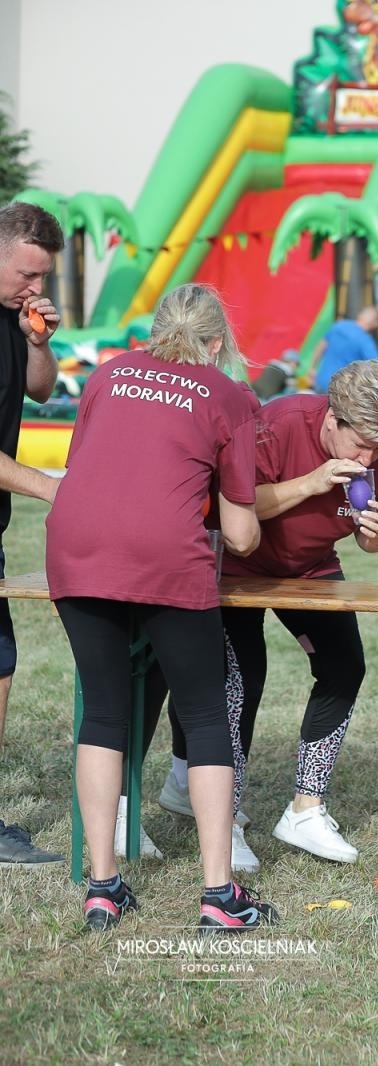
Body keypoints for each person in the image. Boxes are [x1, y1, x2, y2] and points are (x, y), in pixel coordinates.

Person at [46, 282, 276, 931]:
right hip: (163, 554)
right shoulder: (228, 394)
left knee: (104, 714)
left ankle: (101, 885)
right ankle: (219, 896)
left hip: (78, 544)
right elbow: (239, 532)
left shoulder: (109, 373)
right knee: (204, 715)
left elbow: (86, 468)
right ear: (213, 342)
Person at [160, 359, 378, 865]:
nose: (368, 458)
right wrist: (313, 481)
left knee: (344, 667)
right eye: (360, 445)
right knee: (241, 680)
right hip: (237, 564)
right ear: (332, 418)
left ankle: (306, 807)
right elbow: (234, 508)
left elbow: (377, 542)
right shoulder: (278, 425)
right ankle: (222, 815)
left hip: (312, 567)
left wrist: (376, 532)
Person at [0, 202, 70, 866]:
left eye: (42, 277)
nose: (36, 289)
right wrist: (54, 487)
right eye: (26, 274)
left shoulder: (12, 318)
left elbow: (41, 393)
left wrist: (38, 341)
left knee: (0, 664)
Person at [311, 307, 378, 394]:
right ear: (375, 324)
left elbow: (321, 346)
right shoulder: (366, 341)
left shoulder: (339, 325)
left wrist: (313, 368)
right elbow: (376, 367)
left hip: (321, 381)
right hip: (341, 389)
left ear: (360, 315)